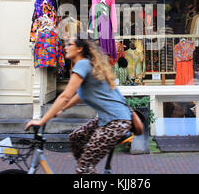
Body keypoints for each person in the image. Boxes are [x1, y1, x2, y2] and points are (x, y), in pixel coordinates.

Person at [25, 38, 132, 174]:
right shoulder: (86, 65)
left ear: (80, 49)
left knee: (83, 168)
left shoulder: (82, 64)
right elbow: (80, 95)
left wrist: (42, 120)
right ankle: (86, 167)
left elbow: (65, 96)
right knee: (75, 138)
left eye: (69, 45)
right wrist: (61, 109)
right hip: (109, 119)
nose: (65, 47)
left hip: (116, 122)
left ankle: (85, 168)